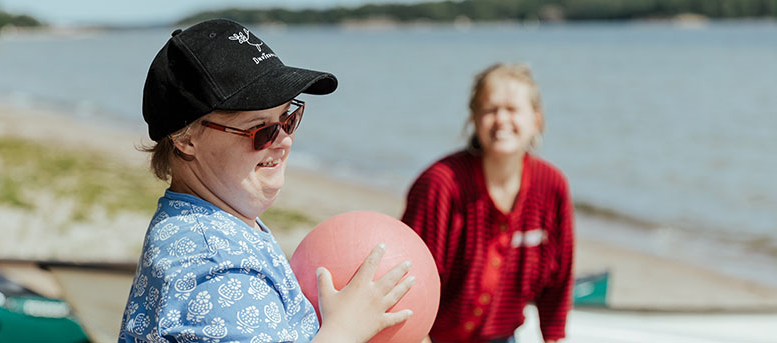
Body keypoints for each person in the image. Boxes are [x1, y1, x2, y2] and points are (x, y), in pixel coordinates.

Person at [118, 19, 417, 343]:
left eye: (288, 118)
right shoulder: (213, 266)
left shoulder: (213, 222)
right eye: (261, 129)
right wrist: (346, 329)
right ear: (186, 139)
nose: (284, 140)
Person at [401, 63, 574, 343]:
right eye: (490, 110)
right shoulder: (440, 184)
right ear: (474, 119)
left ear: (536, 120)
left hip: (504, 337)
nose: (501, 120)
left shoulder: (552, 186)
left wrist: (552, 337)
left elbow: (560, 278)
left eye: (513, 109)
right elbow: (409, 277)